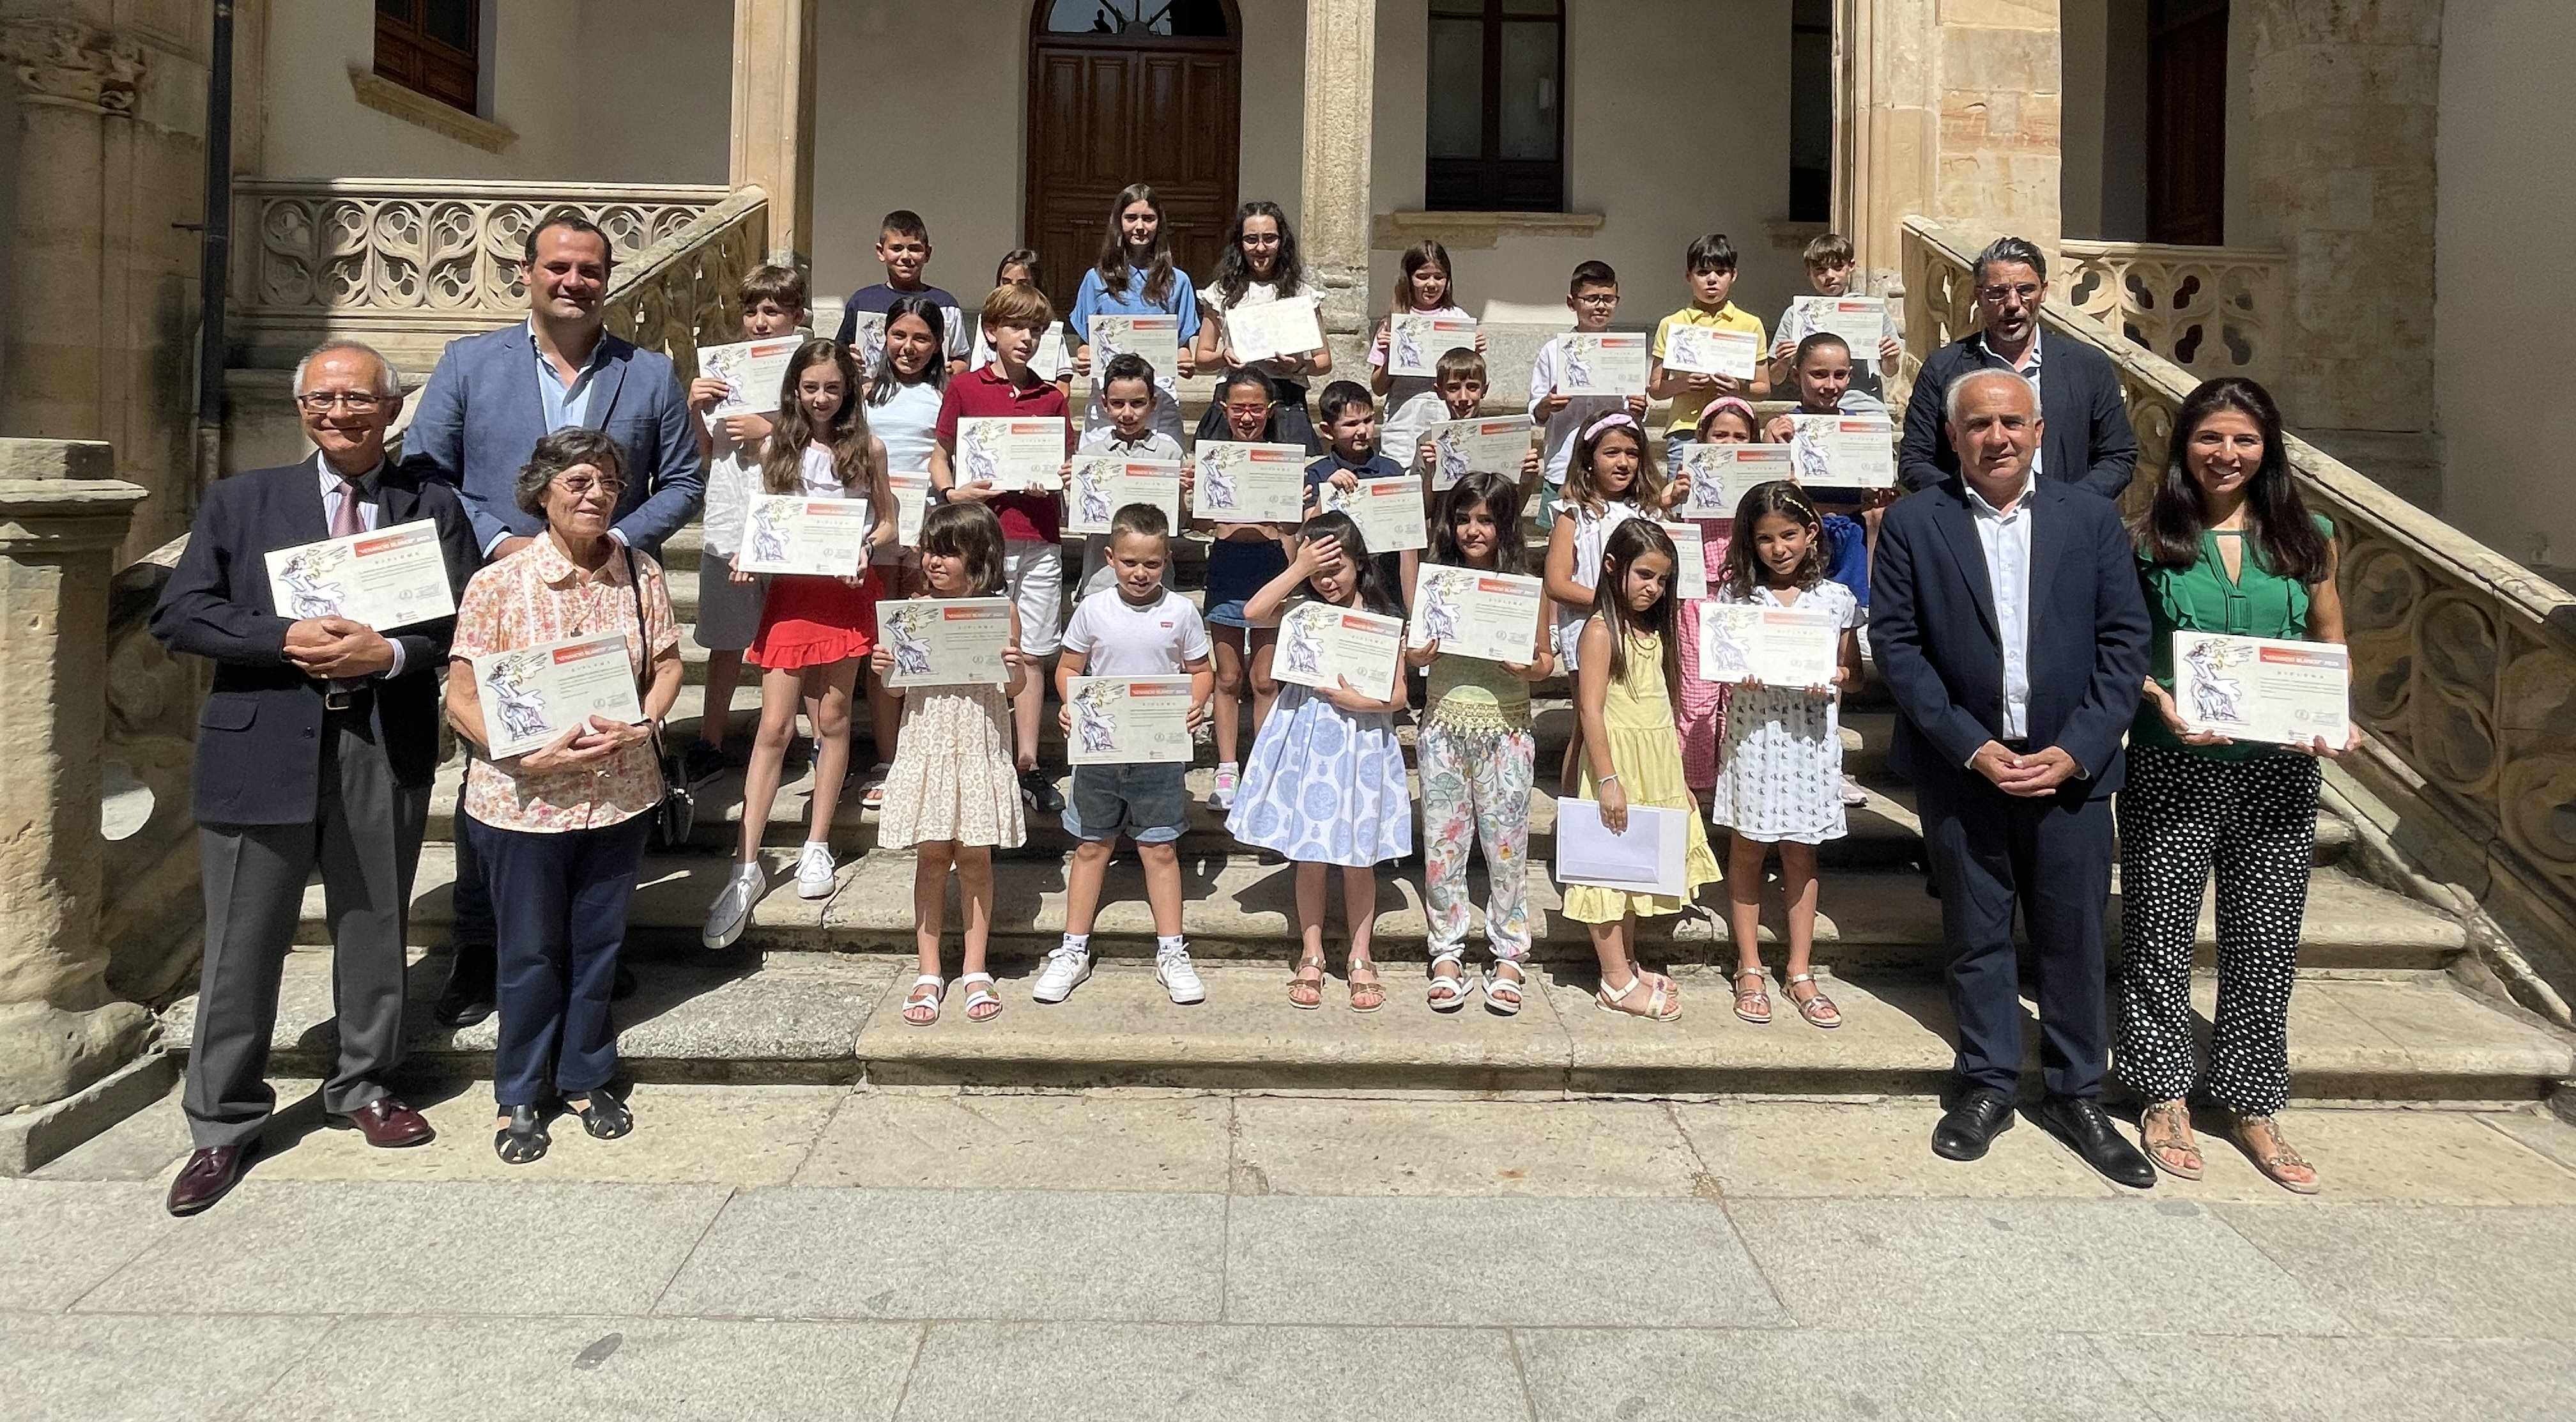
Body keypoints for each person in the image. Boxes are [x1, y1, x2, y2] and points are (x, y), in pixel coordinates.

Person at [151, 341, 479, 1216]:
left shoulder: (431, 506)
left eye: (359, 399)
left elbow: (461, 623)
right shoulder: (243, 500)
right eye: (324, 399)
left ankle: (366, 1084)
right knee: (240, 944)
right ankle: (223, 1121)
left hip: (382, 742)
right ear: (302, 410)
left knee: (374, 924)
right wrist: (280, 638)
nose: (341, 412)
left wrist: (395, 651)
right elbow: (179, 613)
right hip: (261, 742)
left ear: (392, 407)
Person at [403, 213, 707, 1029]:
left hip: (607, 607)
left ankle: (587, 955)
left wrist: (605, 543)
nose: (574, 281)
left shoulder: (647, 372)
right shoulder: (470, 363)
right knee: (498, 775)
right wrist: (503, 541)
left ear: (609, 280)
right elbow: (429, 472)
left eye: (589, 270)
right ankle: (480, 946)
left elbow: (682, 482)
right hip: (506, 596)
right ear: (527, 274)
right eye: (558, 267)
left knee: (600, 775)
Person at [1870, 369, 2154, 1187]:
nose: (1998, 437)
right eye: (1979, 425)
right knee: (1977, 935)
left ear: (2038, 430)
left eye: (2012, 422)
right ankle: (1988, 1082)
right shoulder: (1919, 523)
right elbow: (1899, 645)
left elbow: (2123, 643)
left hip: (2070, 771)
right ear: (1953, 437)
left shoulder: (2091, 519)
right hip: (1968, 771)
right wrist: (1969, 745)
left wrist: (2078, 748)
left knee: (2074, 938)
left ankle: (2078, 1092)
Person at [2119, 376, 2355, 1193]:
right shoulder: (2148, 537)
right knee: (2161, 929)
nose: (2226, 454)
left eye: (2244, 440)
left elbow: (2329, 643)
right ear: (2184, 444)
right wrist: (2161, 700)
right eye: (2210, 438)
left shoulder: (2309, 536)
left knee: (2265, 940)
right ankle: (2164, 1092)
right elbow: (2120, 651)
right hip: (2173, 758)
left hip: (2279, 770)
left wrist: (2337, 713)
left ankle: (2253, 1101)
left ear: (2268, 449)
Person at [443, 429, 684, 1165]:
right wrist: (518, 749)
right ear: (541, 491)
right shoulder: (500, 584)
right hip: (524, 801)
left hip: (617, 795)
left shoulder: (640, 572)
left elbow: (668, 661)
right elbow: (460, 696)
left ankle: (587, 1073)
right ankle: (520, 1087)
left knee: (597, 944)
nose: (596, 494)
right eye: (578, 481)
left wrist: (646, 718)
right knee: (528, 952)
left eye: (609, 481)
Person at [703, 340, 896, 947]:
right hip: (790, 597)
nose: (820, 398)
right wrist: (747, 551)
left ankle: (817, 843)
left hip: (843, 590)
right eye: (810, 387)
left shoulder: (868, 448)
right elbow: (765, 514)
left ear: (848, 393)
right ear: (794, 389)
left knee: (833, 717)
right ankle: (746, 863)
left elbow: (888, 518)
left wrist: (866, 545)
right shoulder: (774, 446)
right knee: (774, 727)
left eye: (832, 388)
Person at [1234, 513, 1413, 1011]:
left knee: (1358, 854)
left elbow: (1399, 693)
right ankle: (1310, 951)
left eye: (1336, 568)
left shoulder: (1382, 615)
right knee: (1309, 851)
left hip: (1360, 737)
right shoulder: (1300, 610)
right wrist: (1298, 568)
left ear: (1359, 563)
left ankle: (1361, 954)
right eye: (1318, 572)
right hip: (1307, 734)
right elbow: (1252, 611)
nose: (1327, 580)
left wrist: (1363, 703)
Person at [1041, 506, 1215, 1005]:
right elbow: (1069, 667)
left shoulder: (1182, 612)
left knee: (1160, 848)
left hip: (1159, 754)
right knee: (1092, 845)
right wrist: (1071, 705)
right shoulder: (1093, 609)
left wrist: (1197, 701)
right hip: (1099, 752)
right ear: (1111, 558)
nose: (1141, 573)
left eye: (1153, 564)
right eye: (1131, 562)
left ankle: (1172, 950)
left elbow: (1200, 671)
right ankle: (1072, 948)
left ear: (1167, 561)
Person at [1707, 482, 1864, 1029]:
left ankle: (1800, 969)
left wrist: (1841, 674)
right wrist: (1737, 668)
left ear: (1811, 534)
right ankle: (1748, 964)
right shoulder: (1737, 598)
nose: (1779, 548)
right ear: (1751, 543)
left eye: (1789, 535)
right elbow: (1721, 661)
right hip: (1755, 739)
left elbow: (1856, 674)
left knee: (1802, 853)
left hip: (1810, 743)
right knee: (1748, 850)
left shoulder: (1835, 600)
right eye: (1766, 538)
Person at [872, 502, 1032, 1026]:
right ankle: (927, 969)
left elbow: (1014, 689)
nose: (933, 561)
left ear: (980, 557)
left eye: (948, 552)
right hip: (929, 739)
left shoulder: (1000, 609)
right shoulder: (913, 609)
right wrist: (886, 668)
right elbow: (897, 690)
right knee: (933, 856)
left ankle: (975, 965)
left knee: (977, 859)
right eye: (930, 549)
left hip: (979, 737)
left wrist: (1014, 668)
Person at [1408, 473, 1555, 1015]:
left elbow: (1546, 660)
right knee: (1444, 846)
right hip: (1445, 722)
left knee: (1506, 846)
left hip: (1506, 727)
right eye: (1465, 517)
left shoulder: (1525, 586)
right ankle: (1446, 950)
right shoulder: (1436, 583)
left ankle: (1509, 952)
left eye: (1486, 519)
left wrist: (1529, 666)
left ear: (1504, 526)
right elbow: (1413, 650)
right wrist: (1417, 656)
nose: (1474, 529)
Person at [1565, 520, 1722, 1021]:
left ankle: (1627, 962)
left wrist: (1676, 779)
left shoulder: (1654, 629)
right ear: (1613, 567)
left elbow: (1659, 707)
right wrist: (1608, 778)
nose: (1652, 587)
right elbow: (1591, 710)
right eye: (1644, 574)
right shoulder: (1599, 630)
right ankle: (1613, 979)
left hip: (1654, 762)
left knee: (1633, 868)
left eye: (1661, 578)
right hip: (1616, 763)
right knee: (1605, 872)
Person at [933, 282, 1078, 817]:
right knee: (979, 645)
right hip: (981, 537)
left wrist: (1058, 476)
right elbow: (940, 456)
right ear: (991, 332)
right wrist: (953, 493)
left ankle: (1027, 762)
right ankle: (980, 752)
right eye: (1018, 327)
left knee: (1034, 652)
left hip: (1037, 535)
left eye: (1037, 330)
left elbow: (1066, 464)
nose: (1028, 337)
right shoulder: (966, 388)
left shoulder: (1052, 397)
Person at [682, 262, 808, 785]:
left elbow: (825, 443)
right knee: (726, 639)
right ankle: (712, 739)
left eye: (772, 311)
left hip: (787, 519)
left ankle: (788, 736)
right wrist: (695, 408)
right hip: (731, 517)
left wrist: (769, 432)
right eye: (752, 311)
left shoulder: (808, 369)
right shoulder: (726, 369)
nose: (759, 322)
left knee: (791, 639)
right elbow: (708, 450)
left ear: (796, 316)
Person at [1897, 235, 2137, 500]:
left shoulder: (2088, 366)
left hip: (2065, 530)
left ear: (2043, 292)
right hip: (1968, 528)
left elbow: (2118, 456)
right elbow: (1914, 462)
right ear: (1978, 295)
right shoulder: (1943, 368)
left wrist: (2071, 506)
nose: (2012, 304)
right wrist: (1968, 503)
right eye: (1997, 292)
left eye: (2025, 290)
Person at [855, 293, 955, 807]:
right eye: (900, 336)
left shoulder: (948, 392)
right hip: (872, 528)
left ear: (938, 344)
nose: (909, 347)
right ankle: (888, 754)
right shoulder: (865, 392)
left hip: (926, 530)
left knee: (920, 640)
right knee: (883, 647)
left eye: (921, 338)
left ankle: (922, 751)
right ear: (884, 337)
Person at [1199, 368, 1292, 811]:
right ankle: (1227, 767)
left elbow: (1292, 526)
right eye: (1239, 408)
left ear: (1269, 411)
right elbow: (1199, 523)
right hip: (1227, 567)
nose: (1248, 416)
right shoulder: (1212, 459)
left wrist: (1300, 501)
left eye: (1256, 408)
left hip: (1271, 568)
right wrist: (1187, 493)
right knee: (1230, 675)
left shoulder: (1283, 459)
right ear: (1225, 410)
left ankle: (1265, 765)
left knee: (1265, 679)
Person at [1671, 398, 1757, 803]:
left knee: (1738, 692)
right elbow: (1659, 527)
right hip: (1695, 597)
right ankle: (1697, 783)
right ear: (1702, 438)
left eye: (1740, 437)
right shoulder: (1685, 482)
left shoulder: (1762, 486)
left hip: (1746, 596)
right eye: (1720, 435)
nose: (1729, 443)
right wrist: (1673, 498)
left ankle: (1734, 779)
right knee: (1697, 694)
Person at [1193, 199, 1331, 451]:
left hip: (1286, 399)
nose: (1260, 247)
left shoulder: (1302, 294)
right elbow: (1201, 358)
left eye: (1269, 238)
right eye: (1251, 239)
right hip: (1236, 397)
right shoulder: (1222, 292)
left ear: (1282, 242)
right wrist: (1225, 357)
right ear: (1240, 244)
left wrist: (1298, 365)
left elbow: (1324, 361)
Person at [1069, 182, 1200, 442]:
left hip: (1157, 394)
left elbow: (1182, 347)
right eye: (1131, 218)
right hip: (1110, 397)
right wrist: (1085, 358)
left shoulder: (1179, 281)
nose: (1140, 227)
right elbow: (1085, 345)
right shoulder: (1095, 280)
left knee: (1160, 475)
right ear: (1119, 223)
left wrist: (1185, 362)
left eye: (1148, 219)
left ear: (1159, 225)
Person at [1529, 259, 1650, 525]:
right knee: (1559, 539)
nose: (1600, 305)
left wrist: (1641, 408)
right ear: (1572, 302)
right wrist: (1547, 404)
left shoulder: (1625, 351)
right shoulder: (1552, 351)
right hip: (1564, 462)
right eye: (1592, 298)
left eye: (1608, 299)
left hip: (1608, 469)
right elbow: (1535, 411)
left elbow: (1634, 411)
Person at [1647, 233, 1770, 468]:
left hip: (1733, 429)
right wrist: (1685, 384)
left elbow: (1763, 388)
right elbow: (1656, 388)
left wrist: (1738, 388)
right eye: (1702, 273)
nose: (1711, 280)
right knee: (1682, 500)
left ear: (1733, 276)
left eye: (1721, 273)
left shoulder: (1750, 324)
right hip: (1686, 428)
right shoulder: (1672, 324)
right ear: (1688, 276)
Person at [1071, 351, 1187, 598]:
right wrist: (1073, 486)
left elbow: (1181, 523)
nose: (1127, 413)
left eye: (1137, 403)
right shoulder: (1090, 455)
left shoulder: (1169, 455)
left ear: (1153, 404)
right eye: (1117, 403)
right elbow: (1080, 520)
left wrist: (1182, 491)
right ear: (1104, 404)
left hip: (1155, 583)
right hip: (1101, 578)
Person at [1370, 238, 1487, 462]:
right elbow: (1378, 387)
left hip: (1447, 421)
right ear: (1409, 279)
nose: (1431, 284)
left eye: (1439, 277)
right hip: (1404, 425)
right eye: (1422, 277)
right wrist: (1392, 356)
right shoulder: (1393, 322)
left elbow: (1471, 381)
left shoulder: (1458, 319)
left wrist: (1475, 354)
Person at [1307, 378, 1414, 607]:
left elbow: (1408, 538)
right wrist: (1328, 491)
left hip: (1387, 584)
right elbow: (1306, 533)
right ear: (1327, 430)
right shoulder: (1317, 474)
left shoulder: (1391, 469)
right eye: (1351, 424)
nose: (1363, 431)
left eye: (1368, 421)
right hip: (1336, 588)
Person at [1404, 347, 1543, 512]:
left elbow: (1513, 510)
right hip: (1445, 533)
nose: (1463, 398)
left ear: (1484, 390)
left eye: (1472, 387)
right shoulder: (1428, 442)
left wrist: (1528, 479)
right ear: (1439, 391)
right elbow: (1424, 510)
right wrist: (1430, 473)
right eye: (1453, 388)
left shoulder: (1504, 438)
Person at [834, 209, 970, 376]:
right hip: (872, 396)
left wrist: (949, 371)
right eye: (896, 248)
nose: (906, 256)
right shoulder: (862, 302)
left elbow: (961, 359)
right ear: (881, 252)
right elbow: (839, 354)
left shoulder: (946, 305)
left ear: (927, 254)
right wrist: (849, 361)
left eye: (914, 249)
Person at [1769, 231, 1902, 401]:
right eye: (1821, 270)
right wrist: (1782, 362)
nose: (1830, 276)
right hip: (1815, 405)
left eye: (1838, 268)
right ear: (1808, 272)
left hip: (1864, 403)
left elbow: (1890, 372)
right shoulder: (1795, 315)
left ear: (1851, 266)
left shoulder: (1872, 312)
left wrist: (1890, 359)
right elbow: (1775, 378)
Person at [970, 249, 1075, 398]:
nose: (1013, 288)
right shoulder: (987, 321)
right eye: (1006, 282)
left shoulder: (1049, 326)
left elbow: (1063, 388)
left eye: (1022, 283)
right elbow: (976, 372)